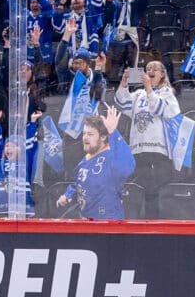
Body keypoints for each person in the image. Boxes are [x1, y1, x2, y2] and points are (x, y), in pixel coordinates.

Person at [114, 61, 180, 219]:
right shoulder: (138, 94)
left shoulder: (167, 93)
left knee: (154, 189)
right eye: (148, 69)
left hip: (158, 151)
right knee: (138, 188)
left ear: (162, 74)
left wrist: (149, 89)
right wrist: (124, 84)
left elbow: (157, 109)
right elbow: (121, 104)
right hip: (137, 149)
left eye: (154, 69)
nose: (150, 71)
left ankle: (153, 223)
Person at [56, 107, 135, 219]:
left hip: (108, 224)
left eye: (90, 134)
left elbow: (127, 166)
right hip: (87, 223)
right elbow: (79, 183)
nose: (85, 138)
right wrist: (68, 195)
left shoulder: (111, 156)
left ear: (103, 137)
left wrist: (113, 133)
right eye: (84, 133)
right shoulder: (85, 160)